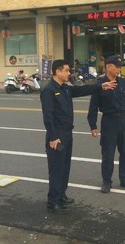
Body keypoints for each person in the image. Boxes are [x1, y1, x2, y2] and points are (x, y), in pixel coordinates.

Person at [40, 60, 117, 214]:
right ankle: (53, 200)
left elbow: (82, 90)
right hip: (58, 135)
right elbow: (48, 117)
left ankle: (61, 195)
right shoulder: (49, 90)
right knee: (56, 168)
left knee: (65, 166)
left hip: (67, 133)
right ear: (57, 71)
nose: (69, 73)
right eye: (67, 70)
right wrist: (53, 137)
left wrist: (101, 85)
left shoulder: (65, 88)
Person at [88, 55, 125, 193]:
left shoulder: (124, 83)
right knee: (108, 153)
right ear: (108, 67)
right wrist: (93, 125)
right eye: (117, 66)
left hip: (123, 121)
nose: (119, 69)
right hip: (109, 122)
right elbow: (93, 106)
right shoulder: (100, 85)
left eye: (120, 66)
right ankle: (107, 181)